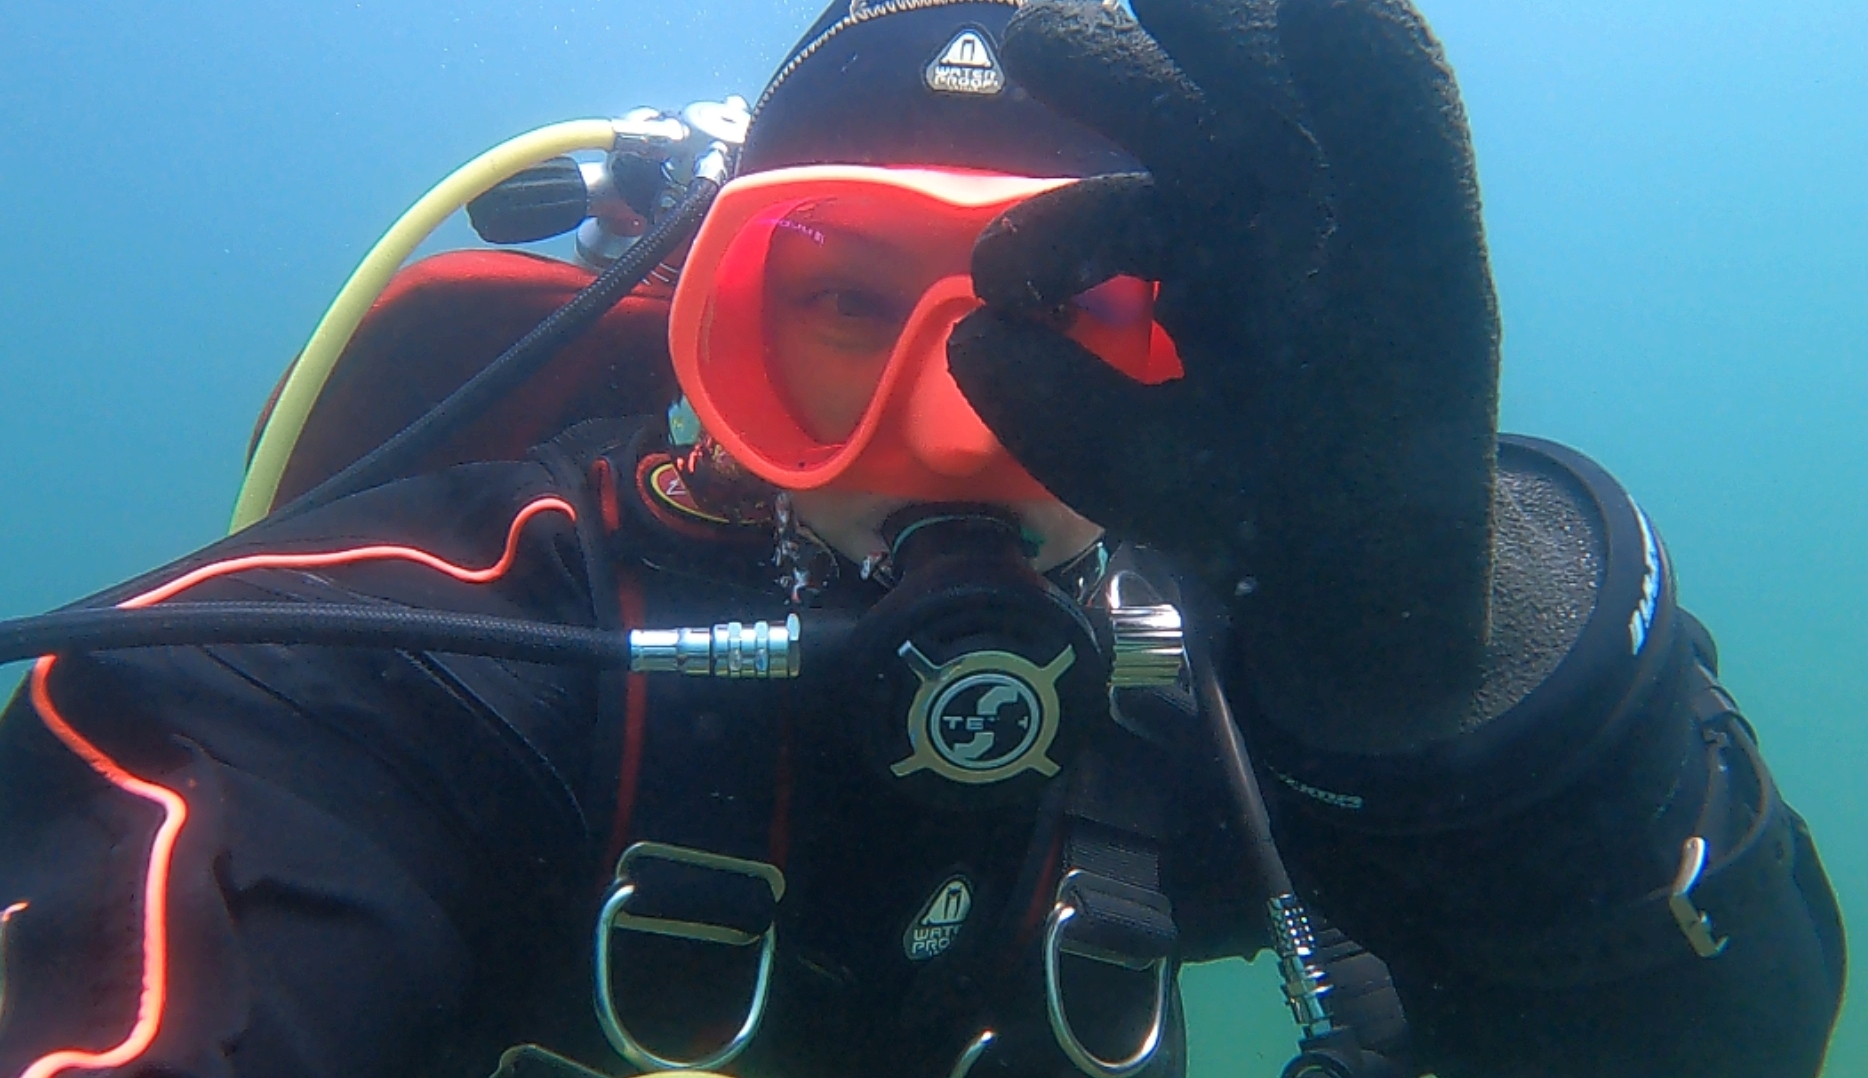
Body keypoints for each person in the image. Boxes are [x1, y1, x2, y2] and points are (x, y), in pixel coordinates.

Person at [0, 1, 1845, 1077]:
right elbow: (188, 835)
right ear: (700, 332)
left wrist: (1464, 710)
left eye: (1070, 306)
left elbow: (1722, 1039)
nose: (951, 426)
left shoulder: (1245, 691)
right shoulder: (444, 651)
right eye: (839, 301)